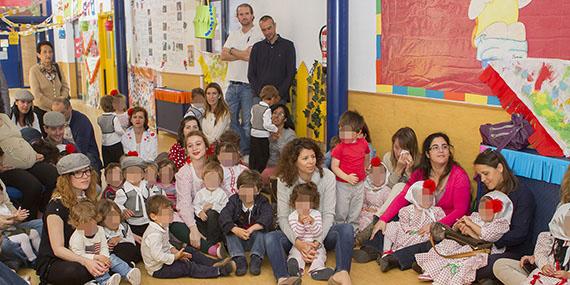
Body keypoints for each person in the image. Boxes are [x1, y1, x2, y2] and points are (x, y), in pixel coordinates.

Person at [354, 132, 471, 266]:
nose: (441, 150)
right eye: (436, 147)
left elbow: (461, 210)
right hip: (419, 217)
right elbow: (403, 196)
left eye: (444, 147)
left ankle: (395, 259)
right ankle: (372, 248)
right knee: (397, 218)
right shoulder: (421, 172)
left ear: (449, 152)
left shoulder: (459, 176)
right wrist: (383, 219)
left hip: (444, 223)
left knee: (431, 241)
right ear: (427, 154)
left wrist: (435, 225)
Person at [265, 137, 354, 285]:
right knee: (270, 238)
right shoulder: (283, 180)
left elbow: (328, 214)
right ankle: (283, 278)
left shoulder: (328, 177)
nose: (311, 161)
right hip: (295, 235)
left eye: (313, 156)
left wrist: (316, 242)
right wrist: (298, 243)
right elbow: (283, 217)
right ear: (294, 161)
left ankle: (341, 273)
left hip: (321, 234)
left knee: (346, 229)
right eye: (305, 158)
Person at [415, 191, 513, 284]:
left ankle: (444, 277)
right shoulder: (476, 216)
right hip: (466, 242)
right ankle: (432, 270)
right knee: (447, 245)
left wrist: (470, 226)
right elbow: (456, 227)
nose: (484, 211)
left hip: (482, 249)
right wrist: (459, 225)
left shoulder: (500, 223)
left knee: (460, 259)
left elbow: (487, 235)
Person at [36, 153, 102, 284]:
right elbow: (58, 249)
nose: (85, 176)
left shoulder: (87, 197)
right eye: (78, 173)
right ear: (66, 178)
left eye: (87, 171)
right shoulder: (55, 207)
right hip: (58, 260)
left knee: (122, 250)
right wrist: (86, 261)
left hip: (83, 250)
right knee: (77, 270)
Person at [141, 195, 236, 279]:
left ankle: (215, 263)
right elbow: (158, 256)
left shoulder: (163, 225)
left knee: (190, 251)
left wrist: (174, 250)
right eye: (167, 214)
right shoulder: (154, 235)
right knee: (187, 266)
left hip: (166, 258)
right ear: (153, 216)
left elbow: (165, 244)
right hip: (159, 269)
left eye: (171, 213)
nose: (171, 216)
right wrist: (175, 257)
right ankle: (219, 271)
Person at [222, 3, 264, 157]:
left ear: (252, 15)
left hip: (248, 86)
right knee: (231, 122)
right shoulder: (234, 33)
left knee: (247, 124)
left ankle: (247, 154)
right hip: (232, 84)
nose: (244, 16)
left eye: (247, 13)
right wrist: (238, 52)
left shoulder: (258, 33)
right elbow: (222, 55)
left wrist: (231, 50)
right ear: (237, 17)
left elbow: (249, 56)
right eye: (241, 14)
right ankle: (240, 150)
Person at [493, 203, 570, 285]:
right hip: (543, 273)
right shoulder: (548, 237)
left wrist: (568, 275)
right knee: (500, 265)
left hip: (565, 280)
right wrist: (543, 264)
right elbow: (541, 254)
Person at [68, 200, 141, 285]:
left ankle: (128, 273)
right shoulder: (76, 238)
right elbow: (78, 254)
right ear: (77, 225)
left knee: (112, 258)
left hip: (101, 255)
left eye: (93, 223)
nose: (91, 227)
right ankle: (106, 281)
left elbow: (103, 246)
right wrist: (96, 257)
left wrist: (105, 257)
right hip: (88, 260)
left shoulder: (100, 230)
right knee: (98, 267)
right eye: (86, 225)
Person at [0, 115, 58, 220]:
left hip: (30, 159)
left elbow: (19, 139)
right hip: (7, 168)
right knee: (33, 186)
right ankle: (25, 220)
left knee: (53, 174)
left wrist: (32, 152)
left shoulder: (4, 117)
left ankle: (42, 211)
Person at [219, 169, 272, 276]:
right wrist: (235, 229)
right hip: (239, 238)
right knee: (229, 232)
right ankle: (239, 259)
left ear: (258, 190)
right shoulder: (234, 200)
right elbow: (224, 215)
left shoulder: (263, 201)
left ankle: (256, 258)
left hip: (254, 238)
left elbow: (268, 216)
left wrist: (252, 229)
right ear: (238, 189)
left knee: (263, 232)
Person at [171, 131, 213, 253]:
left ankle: (199, 244)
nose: (194, 148)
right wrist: (193, 229)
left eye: (198, 144)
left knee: (212, 214)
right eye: (190, 146)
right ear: (186, 150)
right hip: (192, 215)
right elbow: (184, 204)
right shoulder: (183, 173)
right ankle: (210, 248)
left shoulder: (215, 167)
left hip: (212, 215)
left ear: (206, 146)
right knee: (173, 220)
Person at [381, 179, 445, 256]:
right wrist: (409, 230)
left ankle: (397, 253)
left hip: (424, 235)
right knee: (391, 226)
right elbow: (403, 223)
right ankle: (386, 250)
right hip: (408, 232)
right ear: (415, 198)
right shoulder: (408, 210)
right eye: (424, 198)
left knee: (422, 239)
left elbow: (442, 223)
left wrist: (433, 228)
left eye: (430, 197)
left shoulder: (436, 211)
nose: (428, 200)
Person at [287, 182, 335, 280]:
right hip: (300, 244)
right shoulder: (292, 216)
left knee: (320, 254)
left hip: (314, 244)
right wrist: (300, 223)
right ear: (294, 202)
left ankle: (316, 270)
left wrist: (312, 223)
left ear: (312, 203)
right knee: (295, 253)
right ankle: (296, 269)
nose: (303, 206)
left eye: (306, 203)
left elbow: (318, 233)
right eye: (299, 202)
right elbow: (296, 235)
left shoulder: (316, 214)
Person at [331, 110, 370, 230]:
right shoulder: (339, 148)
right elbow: (334, 167)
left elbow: (367, 155)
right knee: (341, 210)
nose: (342, 135)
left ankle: (353, 230)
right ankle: (339, 229)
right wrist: (346, 177)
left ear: (357, 133)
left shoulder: (363, 143)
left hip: (359, 184)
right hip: (343, 185)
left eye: (346, 132)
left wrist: (365, 167)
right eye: (341, 131)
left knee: (356, 209)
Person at [248, 15, 296, 104]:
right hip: (259, 98)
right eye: (263, 30)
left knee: (278, 118)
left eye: (269, 28)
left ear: (275, 26)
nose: (267, 32)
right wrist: (262, 95)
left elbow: (290, 73)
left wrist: (278, 95)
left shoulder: (288, 46)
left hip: (280, 98)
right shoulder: (257, 47)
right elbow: (251, 74)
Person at [0, 176, 42, 266]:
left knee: (41, 225)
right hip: (3, 235)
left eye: (1, 194)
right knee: (8, 245)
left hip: (13, 228)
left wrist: (18, 216)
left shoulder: (3, 202)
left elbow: (8, 204)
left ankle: (41, 256)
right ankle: (31, 260)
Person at [52, 97, 103, 172]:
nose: (58, 117)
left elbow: (81, 149)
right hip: (66, 152)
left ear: (70, 108)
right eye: (55, 113)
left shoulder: (82, 122)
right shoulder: (54, 120)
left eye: (62, 113)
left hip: (85, 153)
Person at [193, 161, 229, 258]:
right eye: (208, 179)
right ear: (203, 180)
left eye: (215, 179)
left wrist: (213, 206)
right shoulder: (200, 193)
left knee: (212, 214)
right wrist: (200, 212)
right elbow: (195, 205)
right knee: (193, 218)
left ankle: (212, 243)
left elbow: (225, 209)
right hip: (203, 221)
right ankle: (202, 241)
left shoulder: (221, 193)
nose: (211, 182)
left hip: (216, 223)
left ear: (220, 181)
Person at [355, 157, 392, 244]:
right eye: (374, 174)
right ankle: (354, 237)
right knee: (358, 219)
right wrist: (364, 208)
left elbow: (387, 208)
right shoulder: (366, 188)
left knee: (370, 222)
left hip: (377, 215)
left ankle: (362, 240)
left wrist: (377, 211)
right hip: (365, 212)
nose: (377, 177)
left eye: (380, 174)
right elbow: (362, 202)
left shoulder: (386, 191)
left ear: (386, 175)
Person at [29, 41, 70, 121]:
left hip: (60, 111)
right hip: (42, 111)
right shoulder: (34, 70)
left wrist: (61, 103)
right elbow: (37, 95)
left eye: (50, 52)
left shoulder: (57, 67)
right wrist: (53, 105)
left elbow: (65, 86)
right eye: (44, 52)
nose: (48, 54)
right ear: (38, 55)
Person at [114, 155, 153, 237]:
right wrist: (123, 210)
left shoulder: (148, 186)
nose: (134, 175)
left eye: (137, 172)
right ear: (124, 175)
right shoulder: (123, 191)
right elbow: (116, 205)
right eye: (130, 172)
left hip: (149, 221)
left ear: (143, 174)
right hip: (133, 223)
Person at [97, 199, 142, 265]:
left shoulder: (125, 227)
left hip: (124, 251)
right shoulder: (100, 230)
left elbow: (131, 243)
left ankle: (123, 265)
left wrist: (119, 239)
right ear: (101, 220)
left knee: (130, 248)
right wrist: (107, 244)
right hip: (108, 256)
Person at [262, 104, 296, 184]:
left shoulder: (290, 134)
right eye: (274, 113)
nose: (276, 116)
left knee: (263, 175)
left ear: (285, 119)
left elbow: (288, 155)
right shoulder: (266, 130)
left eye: (281, 114)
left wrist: (279, 138)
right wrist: (270, 138)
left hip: (281, 167)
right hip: (266, 164)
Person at [249, 85, 280, 173]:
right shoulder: (267, 110)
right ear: (273, 98)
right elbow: (267, 125)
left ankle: (252, 172)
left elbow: (252, 120)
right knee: (263, 157)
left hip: (253, 135)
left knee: (254, 155)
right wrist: (275, 129)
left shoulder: (254, 107)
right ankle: (260, 173)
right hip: (262, 137)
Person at [97, 95, 125, 167]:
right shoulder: (114, 118)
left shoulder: (99, 118)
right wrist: (124, 133)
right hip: (115, 144)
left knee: (108, 164)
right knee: (118, 163)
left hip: (105, 145)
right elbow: (119, 131)